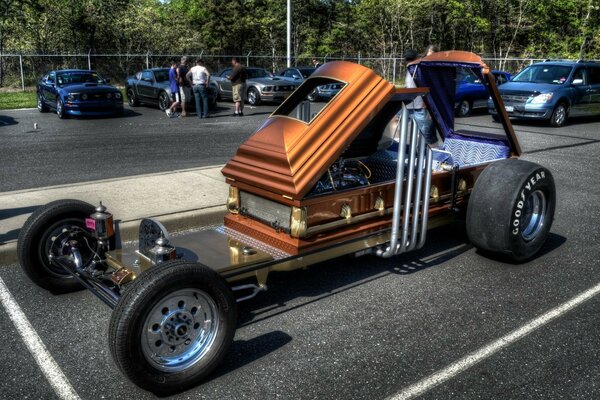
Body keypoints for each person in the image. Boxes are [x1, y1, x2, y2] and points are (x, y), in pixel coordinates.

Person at [404, 49, 439, 146]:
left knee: (426, 137)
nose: (409, 62)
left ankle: (433, 156)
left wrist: (428, 106)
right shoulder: (411, 69)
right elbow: (410, 86)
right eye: (408, 60)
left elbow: (432, 88)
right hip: (410, 106)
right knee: (422, 136)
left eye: (411, 60)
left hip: (421, 108)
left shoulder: (423, 69)